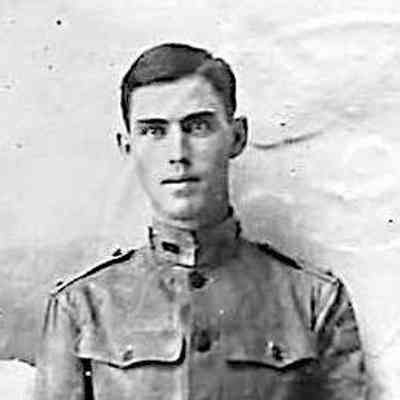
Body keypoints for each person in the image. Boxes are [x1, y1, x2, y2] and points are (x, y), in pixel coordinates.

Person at [34, 43, 367, 400]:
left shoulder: (313, 300)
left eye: (197, 127)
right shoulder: (82, 305)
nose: (177, 154)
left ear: (237, 136)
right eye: (153, 131)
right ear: (127, 146)